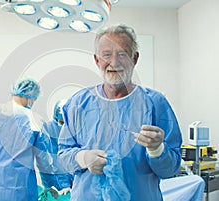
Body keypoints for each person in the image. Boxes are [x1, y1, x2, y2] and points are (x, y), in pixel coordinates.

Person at [58, 24, 182, 201]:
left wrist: (157, 149)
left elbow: (170, 170)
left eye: (122, 54)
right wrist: (83, 157)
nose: (114, 63)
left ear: (135, 58)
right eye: (107, 55)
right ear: (97, 60)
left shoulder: (155, 103)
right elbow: (62, 157)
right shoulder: (78, 104)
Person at [0, 77, 41, 201]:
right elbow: (44, 160)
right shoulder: (32, 119)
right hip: (21, 189)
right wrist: (51, 185)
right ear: (30, 95)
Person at [36, 100, 73, 200]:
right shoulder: (48, 129)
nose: (63, 126)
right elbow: (47, 160)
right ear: (55, 118)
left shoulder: (75, 129)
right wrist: (62, 184)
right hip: (56, 181)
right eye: (61, 122)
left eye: (67, 123)